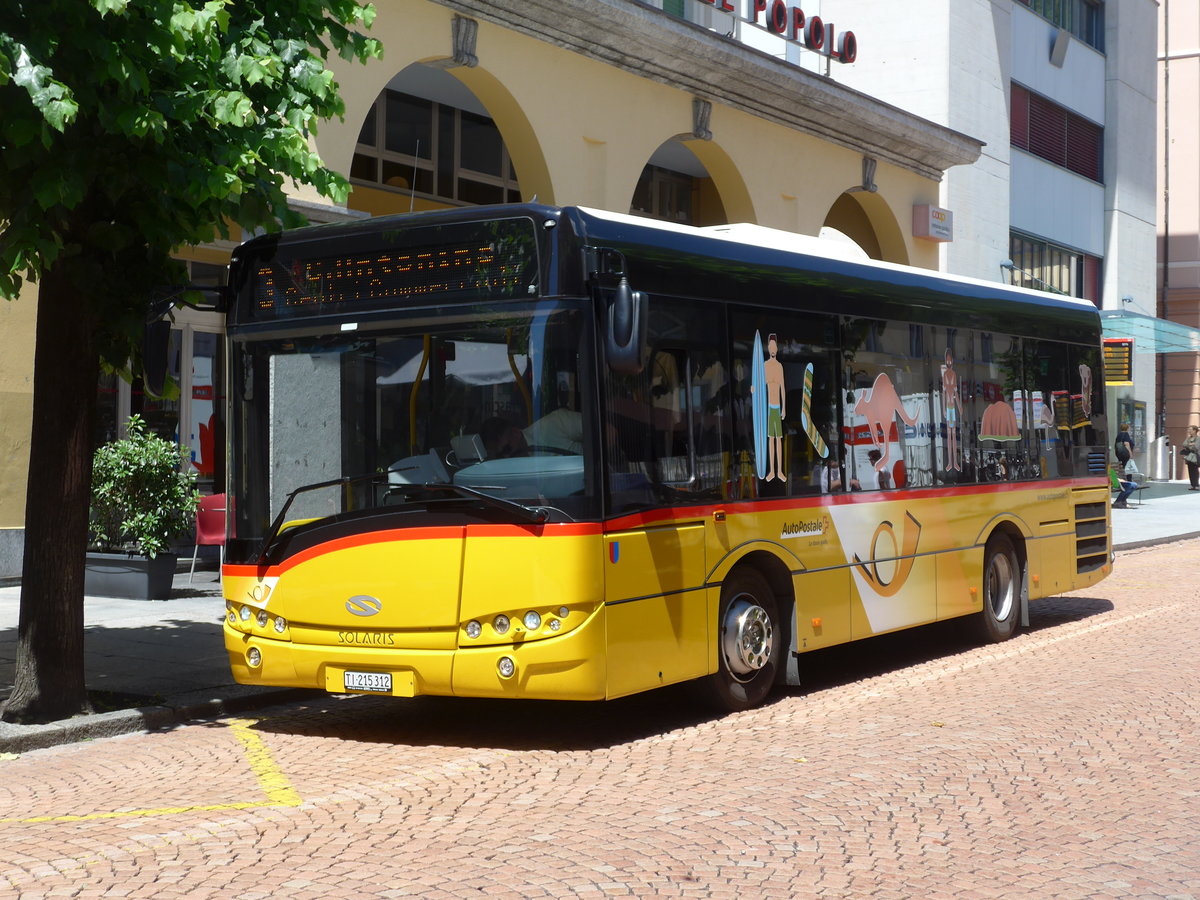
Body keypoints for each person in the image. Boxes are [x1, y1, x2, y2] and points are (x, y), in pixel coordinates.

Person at [1182, 424, 1200, 490]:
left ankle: (1196, 485)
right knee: (1190, 470)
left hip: (1196, 456)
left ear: (1195, 431)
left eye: (1190, 429)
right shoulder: (1188, 438)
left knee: (1195, 471)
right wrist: (1191, 444)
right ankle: (1193, 485)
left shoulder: (1198, 438)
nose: (1189, 431)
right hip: (1189, 457)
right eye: (1188, 429)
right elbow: (1183, 444)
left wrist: (1189, 445)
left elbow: (1196, 447)